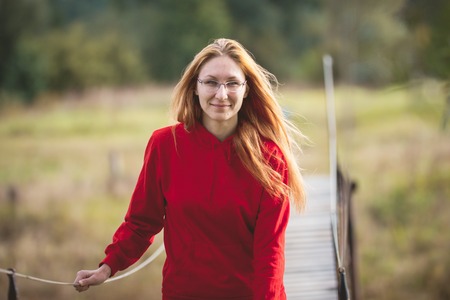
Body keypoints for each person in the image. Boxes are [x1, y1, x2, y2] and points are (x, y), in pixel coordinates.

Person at [73, 38, 306, 299]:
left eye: (231, 83)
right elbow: (141, 223)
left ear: (246, 89)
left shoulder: (270, 158)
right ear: (195, 86)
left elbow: (270, 252)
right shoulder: (165, 145)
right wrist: (108, 267)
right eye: (210, 82)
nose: (221, 94)